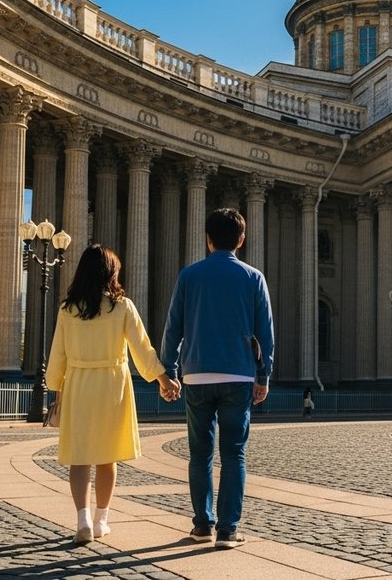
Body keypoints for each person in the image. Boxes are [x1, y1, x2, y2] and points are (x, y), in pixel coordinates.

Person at [46, 244, 180, 544]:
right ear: (111, 273)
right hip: (112, 385)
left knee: (79, 458)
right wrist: (163, 380)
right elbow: (142, 350)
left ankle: (81, 520)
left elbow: (58, 355)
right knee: (107, 459)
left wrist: (54, 387)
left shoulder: (68, 309)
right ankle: (101, 520)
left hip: (79, 383)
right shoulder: (122, 307)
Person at [162, 207, 274, 550]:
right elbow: (265, 331)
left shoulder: (189, 276)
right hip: (239, 374)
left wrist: (168, 370)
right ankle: (228, 530)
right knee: (234, 454)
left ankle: (202, 525)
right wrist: (264, 374)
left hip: (196, 374)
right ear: (241, 240)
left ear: (208, 239)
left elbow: (173, 328)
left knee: (200, 455)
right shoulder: (253, 277)